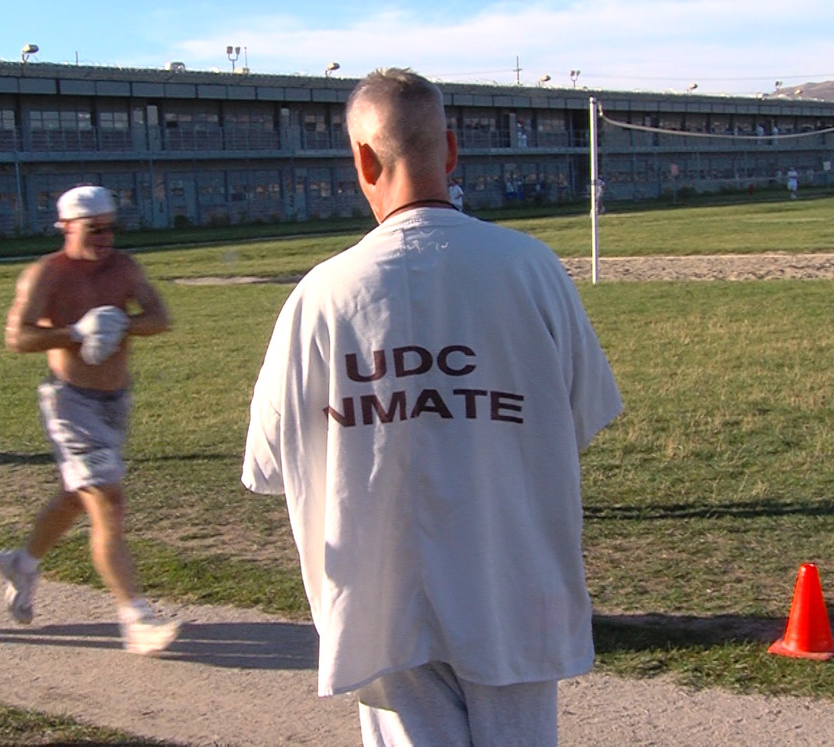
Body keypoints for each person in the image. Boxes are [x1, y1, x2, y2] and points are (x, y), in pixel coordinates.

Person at [242, 68, 623, 746]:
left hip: (382, 600)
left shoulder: (321, 297)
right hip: (512, 587)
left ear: (363, 160)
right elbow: (581, 414)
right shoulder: (531, 269)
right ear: (449, 149)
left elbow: (270, 464)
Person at [0, 185, 180, 655]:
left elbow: (160, 317)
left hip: (115, 401)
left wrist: (123, 324)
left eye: (110, 228)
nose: (105, 238)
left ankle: (23, 563)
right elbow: (17, 337)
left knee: (77, 497)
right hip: (70, 403)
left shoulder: (124, 267)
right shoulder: (47, 274)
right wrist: (74, 333)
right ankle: (135, 617)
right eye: (94, 229)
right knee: (108, 503)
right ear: (66, 227)